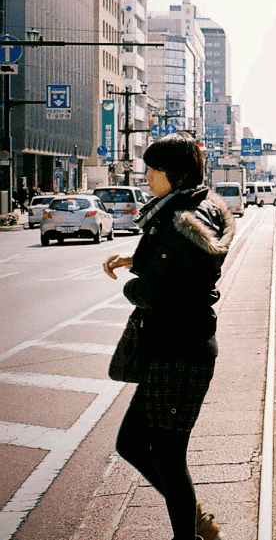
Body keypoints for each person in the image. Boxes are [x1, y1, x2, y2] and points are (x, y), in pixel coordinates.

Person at [102, 132, 234, 540]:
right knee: (132, 443)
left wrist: (132, 288)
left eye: (152, 170)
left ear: (173, 174)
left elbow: (166, 289)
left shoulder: (181, 221)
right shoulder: (190, 210)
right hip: (174, 347)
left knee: (168, 456)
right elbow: (174, 262)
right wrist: (137, 259)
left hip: (179, 349)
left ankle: (192, 531)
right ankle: (195, 521)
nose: (146, 177)